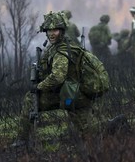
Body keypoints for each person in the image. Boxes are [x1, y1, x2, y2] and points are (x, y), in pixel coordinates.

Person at [13, 11, 94, 147]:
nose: (51, 33)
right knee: (88, 132)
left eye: (55, 30)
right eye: (49, 30)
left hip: (72, 95)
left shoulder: (61, 51)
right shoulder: (56, 47)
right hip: (71, 92)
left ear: (61, 31)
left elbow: (57, 77)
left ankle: (22, 140)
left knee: (29, 99)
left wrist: (38, 86)